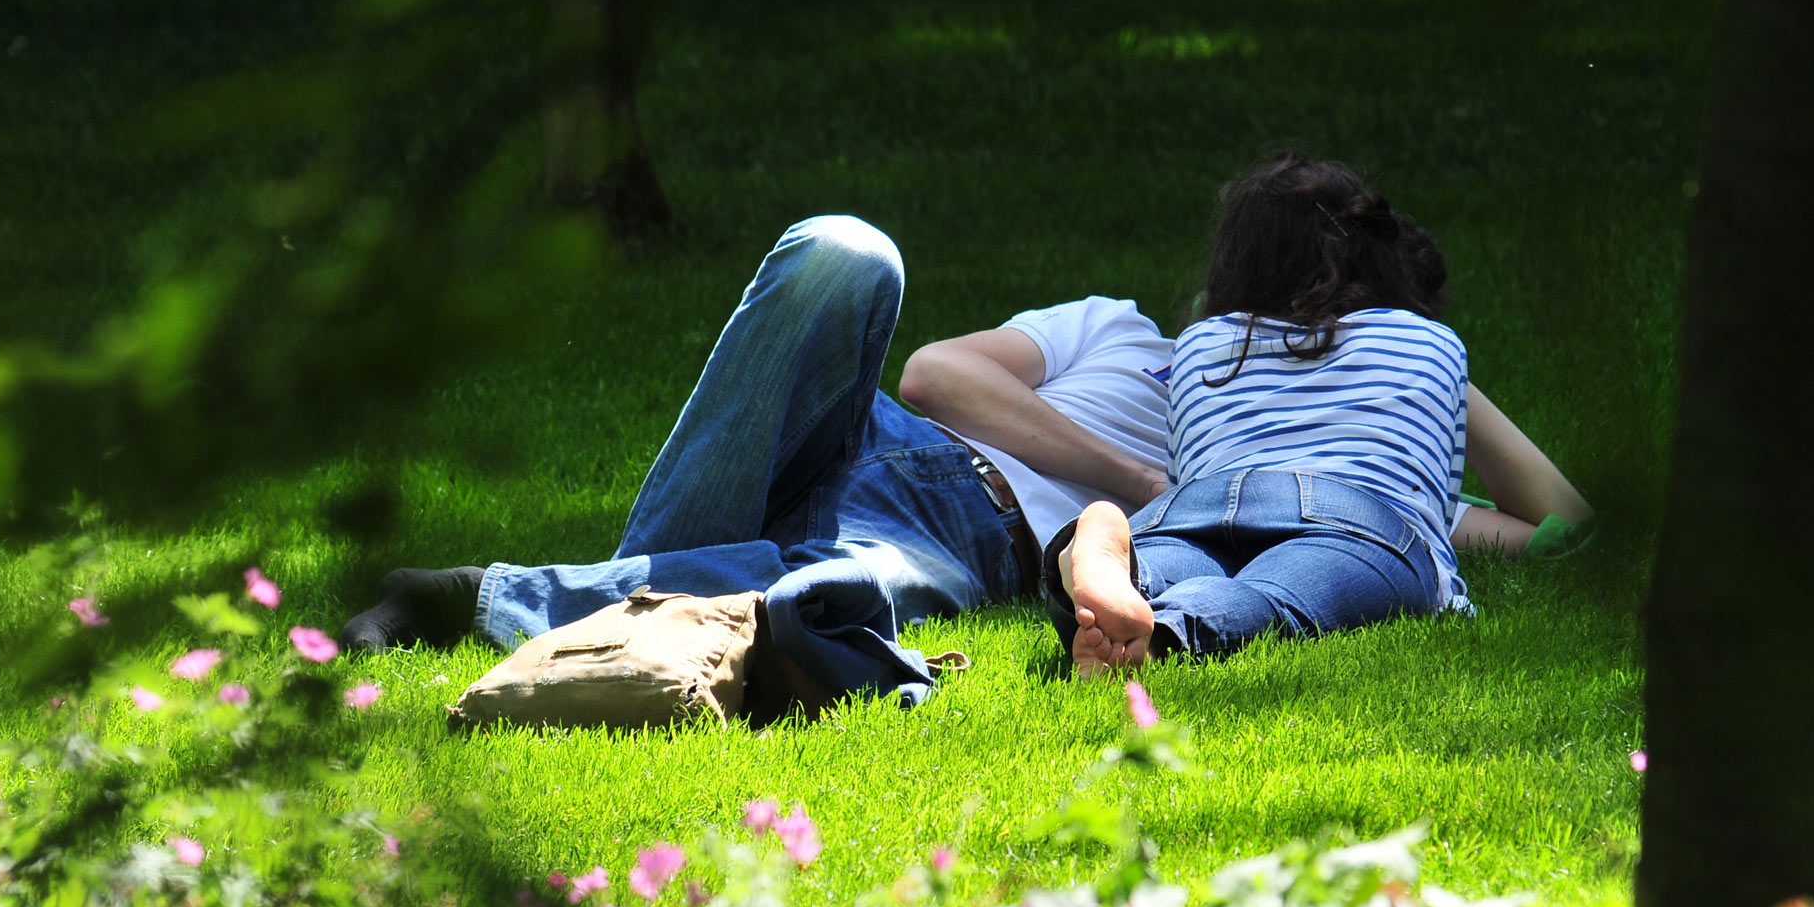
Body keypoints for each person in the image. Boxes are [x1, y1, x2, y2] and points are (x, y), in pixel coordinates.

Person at [342, 204, 1590, 707]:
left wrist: (1444, 375)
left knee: (833, 591)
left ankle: (497, 601)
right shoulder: (1121, 336)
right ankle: (646, 591)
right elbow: (934, 376)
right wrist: (1152, 489)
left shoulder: (1316, 465)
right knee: (847, 249)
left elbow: (1548, 527)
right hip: (883, 440)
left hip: (953, 539)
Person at [1051, 155, 1514, 671]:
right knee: (1278, 592)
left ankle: (1118, 559)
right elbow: (1433, 496)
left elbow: (1183, 473)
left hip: (1202, 504)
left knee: (1171, 560)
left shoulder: (1203, 343)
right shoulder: (1430, 342)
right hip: (1356, 513)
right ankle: (1160, 639)